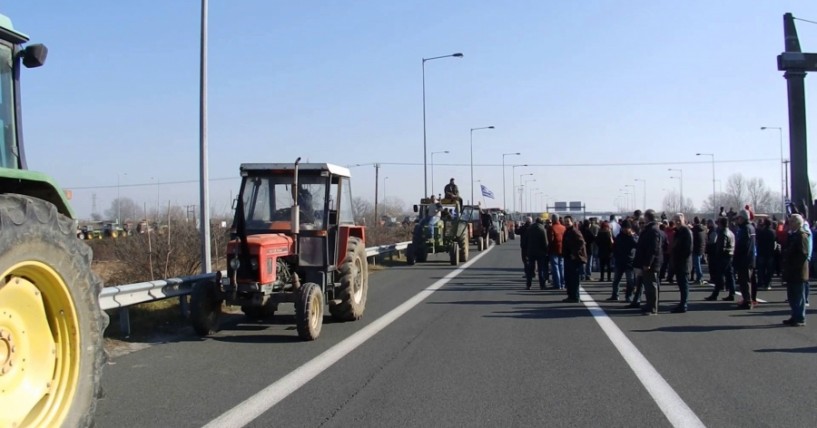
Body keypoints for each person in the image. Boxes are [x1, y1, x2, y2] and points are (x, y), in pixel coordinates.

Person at [633, 209, 663, 315]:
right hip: (646, 262)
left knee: (651, 286)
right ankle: (648, 305)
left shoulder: (653, 230)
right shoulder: (650, 229)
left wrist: (648, 263)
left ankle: (653, 308)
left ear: (647, 217)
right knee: (647, 285)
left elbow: (653, 249)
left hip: (651, 264)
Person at [782, 213, 809, 326]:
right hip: (791, 270)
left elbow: (803, 254)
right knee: (792, 296)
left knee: (798, 295)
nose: (790, 224)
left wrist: (794, 265)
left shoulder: (802, 235)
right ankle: (794, 315)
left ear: (798, 223)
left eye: (792, 221)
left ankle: (800, 318)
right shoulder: (792, 235)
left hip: (798, 271)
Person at [705, 217, 736, 301]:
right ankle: (732, 293)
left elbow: (721, 246)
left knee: (719, 276)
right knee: (730, 275)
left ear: (721, 224)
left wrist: (717, 255)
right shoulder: (731, 233)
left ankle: (715, 294)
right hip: (730, 255)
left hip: (723, 257)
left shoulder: (723, 233)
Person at [608, 219, 638, 302]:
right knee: (616, 280)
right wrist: (614, 254)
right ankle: (615, 295)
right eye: (623, 228)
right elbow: (615, 247)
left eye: (627, 228)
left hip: (630, 262)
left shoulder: (633, 236)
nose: (625, 229)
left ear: (630, 228)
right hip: (619, 261)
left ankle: (628, 296)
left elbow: (637, 245)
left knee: (630, 281)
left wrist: (631, 236)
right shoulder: (619, 236)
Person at [733, 209, 756, 309]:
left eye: (739, 218)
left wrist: (736, 256)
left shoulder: (745, 229)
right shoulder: (751, 227)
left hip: (744, 259)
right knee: (746, 280)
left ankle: (747, 301)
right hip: (750, 258)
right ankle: (747, 299)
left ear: (742, 218)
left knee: (744, 281)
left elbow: (742, 245)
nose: (738, 220)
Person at [670, 213, 693, 313]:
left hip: (683, 262)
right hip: (678, 262)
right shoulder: (678, 232)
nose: (677, 221)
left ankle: (684, 304)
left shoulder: (686, 231)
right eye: (676, 220)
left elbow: (688, 249)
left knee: (684, 284)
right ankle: (682, 303)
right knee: (680, 284)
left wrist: (681, 258)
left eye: (679, 219)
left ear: (683, 220)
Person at [562, 215, 587, 302]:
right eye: (565, 221)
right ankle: (571, 296)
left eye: (568, 221)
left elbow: (581, 242)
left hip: (574, 259)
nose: (566, 223)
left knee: (574, 279)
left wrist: (574, 253)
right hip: (568, 258)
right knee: (568, 278)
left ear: (572, 222)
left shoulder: (575, 231)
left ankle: (575, 297)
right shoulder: (567, 231)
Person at [525, 217, 550, 290]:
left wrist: (526, 250)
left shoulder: (529, 229)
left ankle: (528, 285)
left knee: (530, 269)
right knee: (541, 269)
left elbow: (526, 240)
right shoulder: (542, 229)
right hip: (541, 252)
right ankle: (542, 285)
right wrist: (546, 251)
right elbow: (545, 242)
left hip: (531, 251)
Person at [755, 218, 777, 291]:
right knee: (769, 269)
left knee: (761, 269)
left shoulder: (761, 232)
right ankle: (767, 283)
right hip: (770, 253)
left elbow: (758, 241)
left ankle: (761, 282)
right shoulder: (773, 232)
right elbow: (775, 241)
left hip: (762, 252)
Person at [548, 215, 566, 290]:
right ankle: (562, 283)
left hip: (554, 249)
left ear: (553, 220)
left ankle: (557, 284)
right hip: (562, 249)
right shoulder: (563, 228)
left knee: (555, 267)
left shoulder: (552, 228)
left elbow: (550, 240)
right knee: (561, 266)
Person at [690, 216, 707, 285]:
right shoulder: (703, 229)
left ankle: (699, 278)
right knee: (698, 264)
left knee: (697, 264)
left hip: (696, 248)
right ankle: (699, 277)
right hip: (702, 248)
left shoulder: (695, 230)